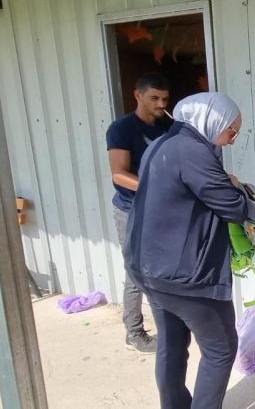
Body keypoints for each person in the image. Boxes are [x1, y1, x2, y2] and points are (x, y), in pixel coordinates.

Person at [124, 92, 255, 409]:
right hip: (183, 275)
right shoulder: (193, 151)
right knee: (221, 349)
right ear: (212, 120)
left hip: (148, 267)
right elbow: (232, 207)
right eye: (231, 131)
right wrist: (239, 191)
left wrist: (223, 182)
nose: (232, 140)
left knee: (172, 344)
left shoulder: (162, 145)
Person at [106, 72, 172, 353]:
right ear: (138, 95)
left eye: (165, 99)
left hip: (160, 209)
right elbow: (118, 174)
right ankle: (134, 332)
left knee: (163, 268)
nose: (161, 104)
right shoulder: (122, 128)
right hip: (130, 210)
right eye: (154, 98)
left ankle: (169, 327)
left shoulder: (168, 125)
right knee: (136, 272)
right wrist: (156, 186)